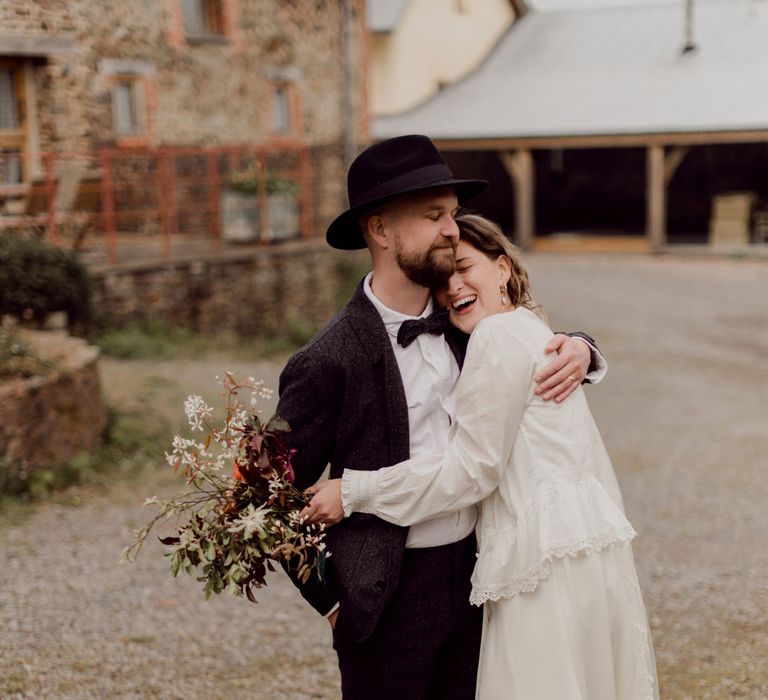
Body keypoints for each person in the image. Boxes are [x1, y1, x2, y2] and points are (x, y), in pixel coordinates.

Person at [276, 135, 606, 700]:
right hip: (385, 600)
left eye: (452, 214)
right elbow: (266, 496)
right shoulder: (327, 359)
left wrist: (581, 347)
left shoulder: (468, 323)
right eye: (434, 216)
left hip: (485, 583)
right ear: (380, 231)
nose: (453, 230)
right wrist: (334, 602)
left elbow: (525, 342)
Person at [304, 212, 659, 700]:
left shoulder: (494, 335)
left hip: (532, 567)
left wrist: (355, 489)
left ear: (503, 268)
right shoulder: (526, 331)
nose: (452, 288)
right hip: (575, 562)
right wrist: (330, 600)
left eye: (464, 267)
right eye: (443, 277)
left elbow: (471, 471)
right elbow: (267, 492)